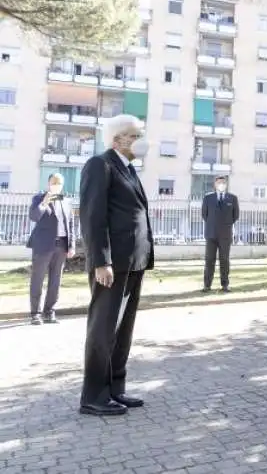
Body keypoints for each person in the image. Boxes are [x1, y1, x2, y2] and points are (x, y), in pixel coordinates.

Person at [79, 114, 154, 417]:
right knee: (103, 329)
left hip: (134, 262)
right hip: (112, 264)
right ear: (117, 140)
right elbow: (93, 217)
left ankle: (115, 390)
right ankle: (94, 397)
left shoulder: (129, 169)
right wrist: (101, 261)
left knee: (123, 330)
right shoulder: (101, 165)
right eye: (135, 136)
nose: (140, 141)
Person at [27, 172, 75, 325]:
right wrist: (44, 203)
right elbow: (34, 216)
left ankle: (50, 311)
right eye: (54, 183)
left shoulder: (67, 201)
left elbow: (71, 225)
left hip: (61, 246)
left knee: (55, 281)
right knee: (38, 279)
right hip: (43, 246)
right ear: (48, 184)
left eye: (59, 183)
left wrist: (71, 245)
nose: (57, 186)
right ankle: (35, 313)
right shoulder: (38, 198)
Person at [201, 175, 239, 293]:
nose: (221, 184)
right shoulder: (208, 198)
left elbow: (235, 216)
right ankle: (207, 285)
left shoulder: (232, 198)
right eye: (219, 182)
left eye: (223, 182)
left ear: (226, 184)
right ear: (215, 184)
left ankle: (225, 285)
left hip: (225, 235)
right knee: (209, 260)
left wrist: (225, 225)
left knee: (224, 260)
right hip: (211, 234)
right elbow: (204, 215)